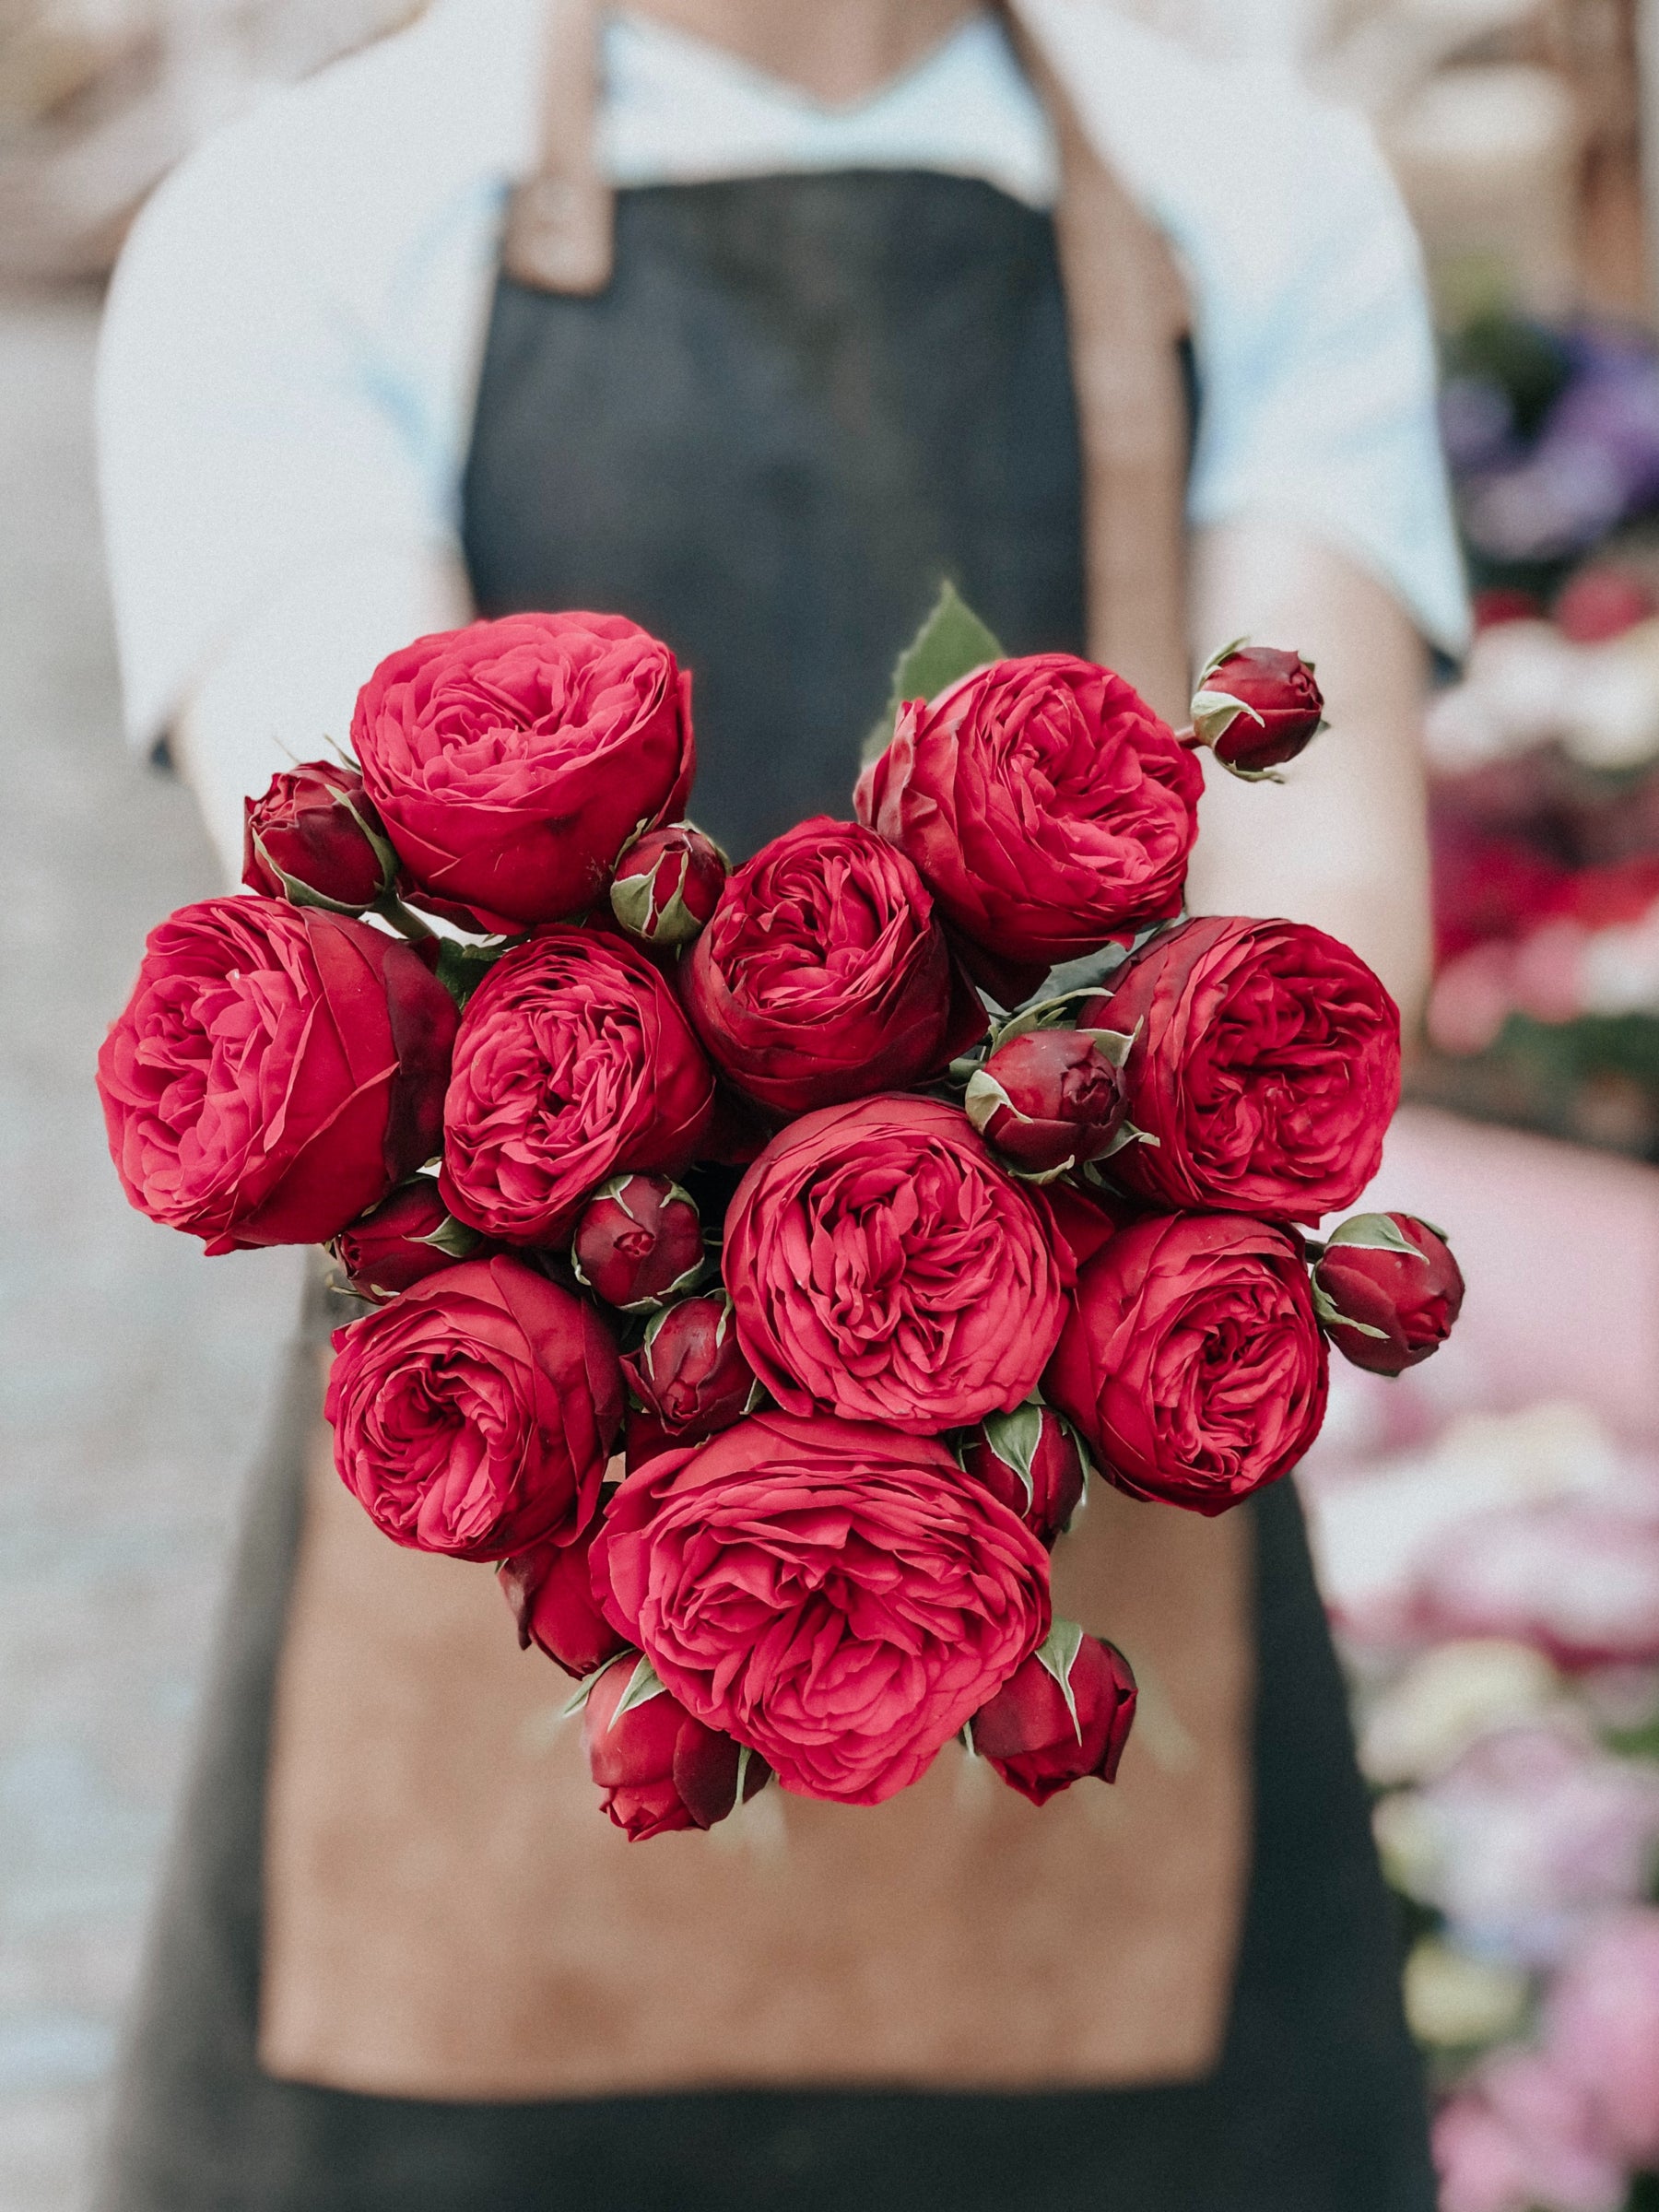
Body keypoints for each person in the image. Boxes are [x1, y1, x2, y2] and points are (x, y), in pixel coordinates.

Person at [92, 3, 1469, 2206]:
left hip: (1085, 1516)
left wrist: (914, 1265)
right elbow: (387, 976)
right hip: (510, 1528)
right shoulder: (306, 219)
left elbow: (1325, 949)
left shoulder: (1255, 197)